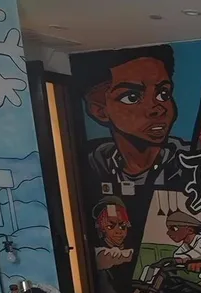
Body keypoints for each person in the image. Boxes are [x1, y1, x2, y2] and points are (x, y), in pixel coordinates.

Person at [81, 45, 189, 190]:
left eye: (163, 94)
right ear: (100, 111)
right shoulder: (93, 164)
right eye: (132, 97)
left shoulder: (192, 163)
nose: (157, 109)